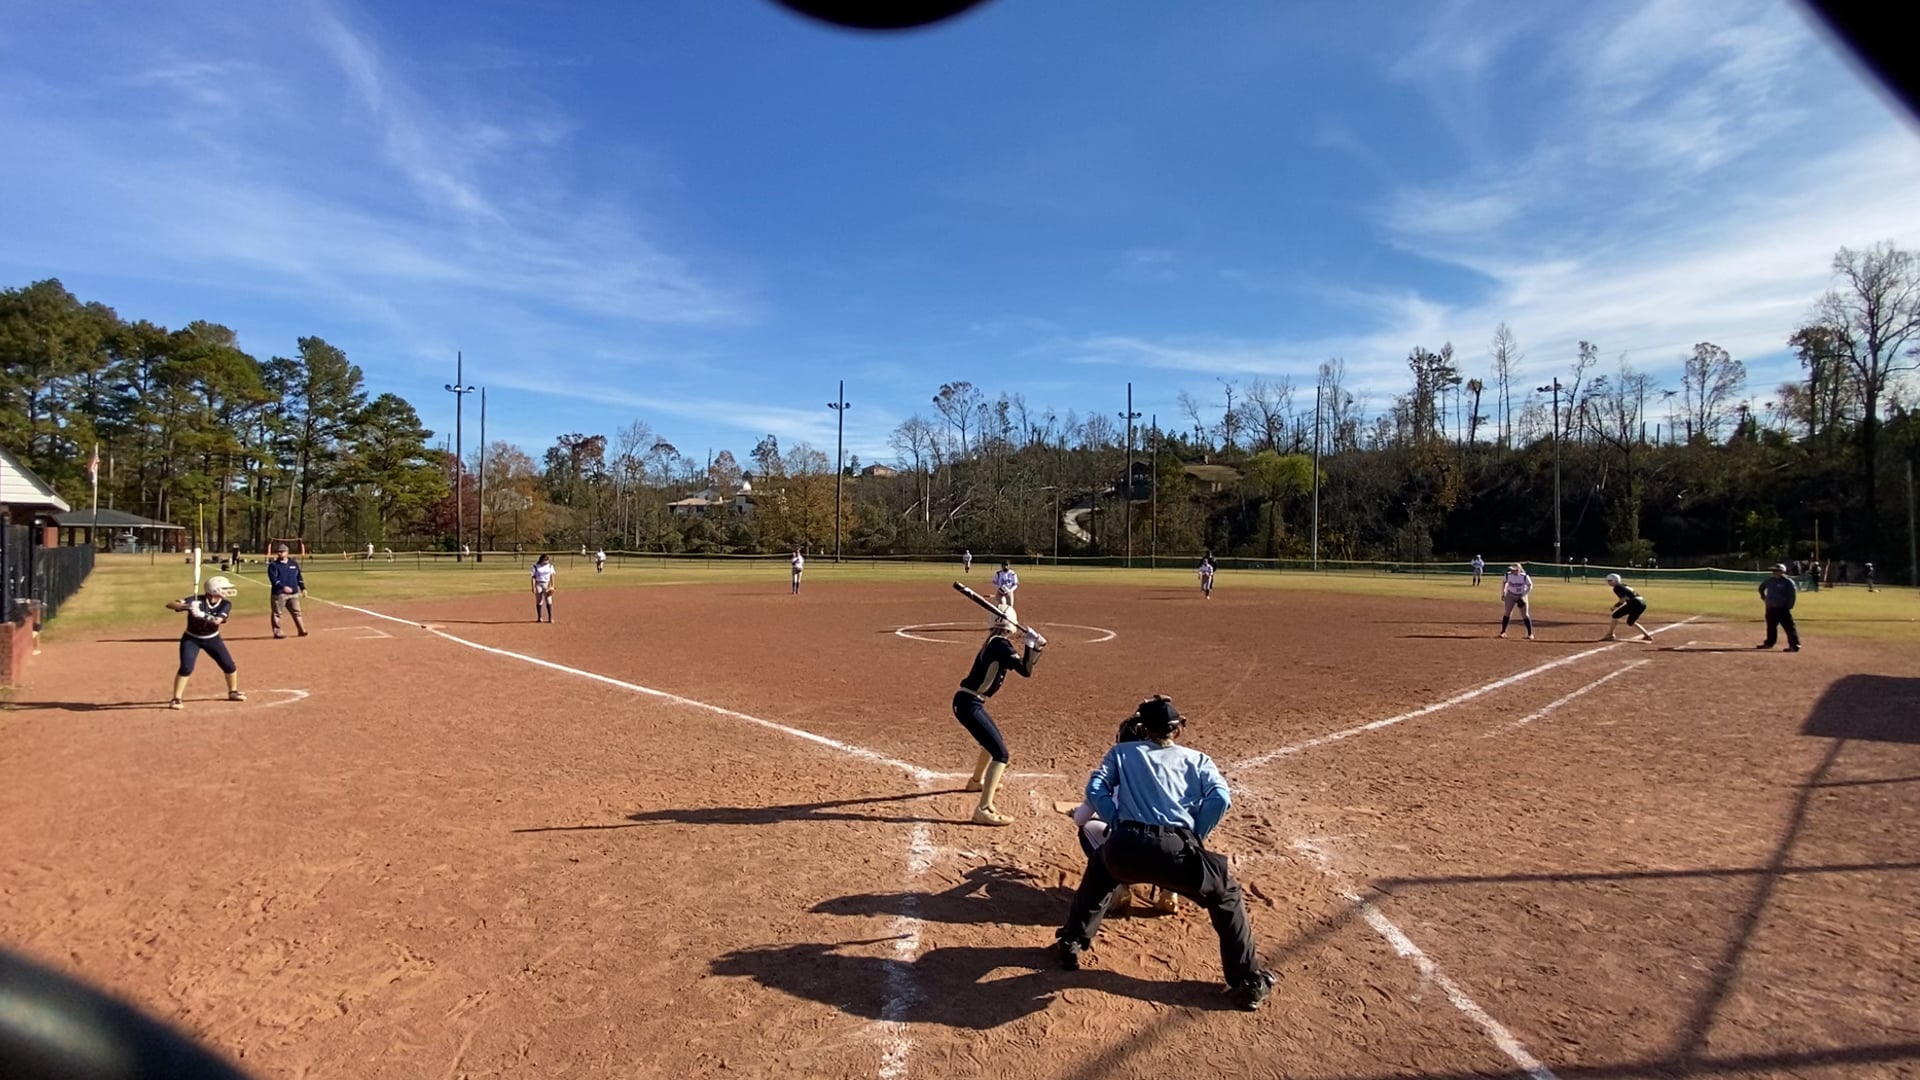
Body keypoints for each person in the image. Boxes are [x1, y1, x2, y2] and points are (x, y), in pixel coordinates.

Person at [1051, 695, 1275, 1012]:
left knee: (1101, 868)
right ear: (1177, 730)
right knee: (1226, 895)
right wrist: (1197, 834)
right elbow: (1220, 799)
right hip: (1176, 851)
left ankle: (1072, 941)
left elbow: (1095, 790)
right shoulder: (1198, 760)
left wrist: (1116, 821)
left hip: (1125, 846)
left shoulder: (1121, 752)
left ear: (1143, 729)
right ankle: (1248, 981)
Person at [1066, 712, 1179, 915]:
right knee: (1176, 832)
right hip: (1171, 855)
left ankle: (1118, 888)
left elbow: (1080, 818)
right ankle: (1170, 892)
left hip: (1128, 853)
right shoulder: (1177, 772)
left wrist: (1098, 814)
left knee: (1087, 829)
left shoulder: (1111, 773)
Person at [951, 602, 1046, 826]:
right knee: (1001, 754)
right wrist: (1030, 645)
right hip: (969, 704)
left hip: (969, 702)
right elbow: (1025, 671)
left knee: (992, 743)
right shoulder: (1000, 645)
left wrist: (1036, 648)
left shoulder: (995, 642)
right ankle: (983, 809)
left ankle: (975, 782)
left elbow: (1025, 666)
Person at [164, 576, 243, 710]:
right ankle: (176, 698)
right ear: (214, 590)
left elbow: (217, 621)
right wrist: (187, 606)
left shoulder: (225, 604)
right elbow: (170, 604)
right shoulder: (196, 600)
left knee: (229, 665)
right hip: (191, 639)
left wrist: (201, 614)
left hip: (212, 639)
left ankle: (233, 692)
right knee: (186, 668)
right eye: (224, 588)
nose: (227, 591)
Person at [266, 543, 309, 639]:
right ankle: (277, 632)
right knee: (277, 613)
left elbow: (299, 577)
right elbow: (273, 580)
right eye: (278, 552)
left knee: (297, 612)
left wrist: (303, 588)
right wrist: (282, 587)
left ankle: (301, 630)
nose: (279, 553)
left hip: (293, 594)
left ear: (287, 552)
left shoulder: (293, 564)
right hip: (279, 594)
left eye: (282, 552)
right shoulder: (273, 565)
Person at [1757, 563, 1800, 651]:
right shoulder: (1769, 580)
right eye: (1773, 571)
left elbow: (1792, 595)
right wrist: (1764, 598)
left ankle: (1794, 645)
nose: (1773, 572)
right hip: (1770, 607)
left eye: (1776, 571)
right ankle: (1769, 643)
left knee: (1789, 627)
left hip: (1782, 608)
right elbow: (1761, 588)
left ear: (1782, 572)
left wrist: (1789, 606)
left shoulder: (1788, 582)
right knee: (1771, 627)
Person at [1604, 573, 1654, 642]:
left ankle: (1610, 634)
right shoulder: (1624, 585)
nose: (1608, 582)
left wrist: (1615, 606)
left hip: (1635, 603)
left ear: (1616, 580)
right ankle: (1647, 635)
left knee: (1615, 616)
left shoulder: (1617, 587)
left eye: (1610, 581)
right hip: (1642, 603)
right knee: (1630, 622)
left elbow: (1623, 599)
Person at [1498, 563, 1535, 640]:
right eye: (1511, 569)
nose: (1512, 571)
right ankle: (1503, 632)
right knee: (1507, 612)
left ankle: (1530, 634)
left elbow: (1530, 585)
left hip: (1521, 595)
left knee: (1525, 614)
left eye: (1514, 570)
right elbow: (1504, 582)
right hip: (1510, 595)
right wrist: (1504, 593)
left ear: (1518, 570)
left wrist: (1524, 595)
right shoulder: (1508, 575)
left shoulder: (1524, 576)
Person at [531, 553, 556, 623]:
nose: (546, 561)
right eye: (545, 560)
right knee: (539, 601)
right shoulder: (536, 566)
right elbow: (533, 577)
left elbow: (552, 576)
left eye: (547, 560)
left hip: (547, 584)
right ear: (541, 560)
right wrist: (533, 587)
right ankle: (539, 617)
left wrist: (552, 586)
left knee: (548, 600)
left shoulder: (550, 566)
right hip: (538, 584)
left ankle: (550, 618)